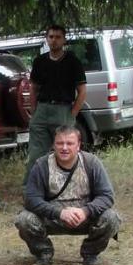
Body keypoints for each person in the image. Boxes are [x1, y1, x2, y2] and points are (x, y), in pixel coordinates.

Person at [15, 125, 121, 265]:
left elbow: (107, 196)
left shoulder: (92, 163)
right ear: (54, 145)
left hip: (85, 218)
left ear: (78, 145)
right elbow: (31, 200)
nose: (64, 148)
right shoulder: (42, 165)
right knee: (24, 220)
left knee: (111, 218)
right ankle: (43, 252)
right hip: (52, 218)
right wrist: (60, 213)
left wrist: (85, 211)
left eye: (69, 143)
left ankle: (90, 253)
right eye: (60, 143)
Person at [25, 25, 87, 178]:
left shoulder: (73, 62)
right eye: (51, 37)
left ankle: (66, 184)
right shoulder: (39, 61)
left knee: (64, 152)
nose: (54, 40)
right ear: (47, 39)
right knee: (35, 155)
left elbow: (82, 91)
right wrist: (34, 111)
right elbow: (33, 88)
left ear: (64, 40)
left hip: (63, 111)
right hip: (42, 111)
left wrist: (72, 114)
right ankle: (32, 187)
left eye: (58, 37)